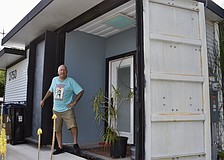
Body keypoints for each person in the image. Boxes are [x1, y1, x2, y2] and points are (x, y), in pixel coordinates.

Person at [40, 64, 84, 155]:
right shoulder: (54, 80)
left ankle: (75, 144)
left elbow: (81, 91)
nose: (62, 72)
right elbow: (50, 91)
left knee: (73, 126)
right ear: (58, 72)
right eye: (61, 70)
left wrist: (74, 102)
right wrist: (43, 100)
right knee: (57, 129)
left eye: (64, 70)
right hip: (56, 109)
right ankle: (60, 147)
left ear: (66, 72)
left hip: (67, 109)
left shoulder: (70, 81)